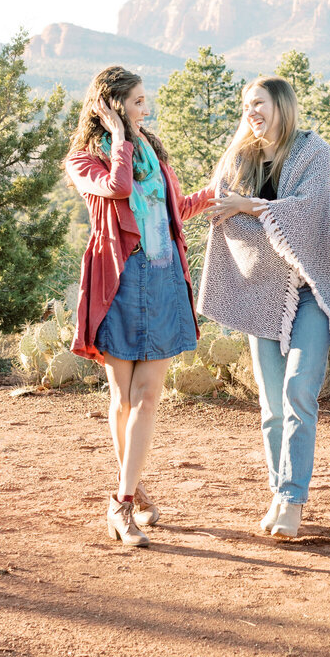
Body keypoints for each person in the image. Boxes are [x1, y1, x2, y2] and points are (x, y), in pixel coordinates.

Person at [194, 75, 330, 540]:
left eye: (259, 103)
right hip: (260, 290)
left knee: (299, 392)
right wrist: (248, 208)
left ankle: (292, 498)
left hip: (310, 290)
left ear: (281, 105)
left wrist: (251, 206)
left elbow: (309, 212)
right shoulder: (239, 158)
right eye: (246, 105)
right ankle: (278, 488)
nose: (251, 112)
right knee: (270, 405)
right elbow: (222, 213)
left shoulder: (313, 150)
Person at [65, 66, 200, 548]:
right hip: (118, 282)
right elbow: (119, 189)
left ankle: (120, 501)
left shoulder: (153, 151)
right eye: (139, 101)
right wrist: (121, 136)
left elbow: (172, 209)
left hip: (162, 278)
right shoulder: (85, 161)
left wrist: (218, 198)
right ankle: (133, 482)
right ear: (115, 106)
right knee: (121, 399)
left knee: (147, 397)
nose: (148, 108)